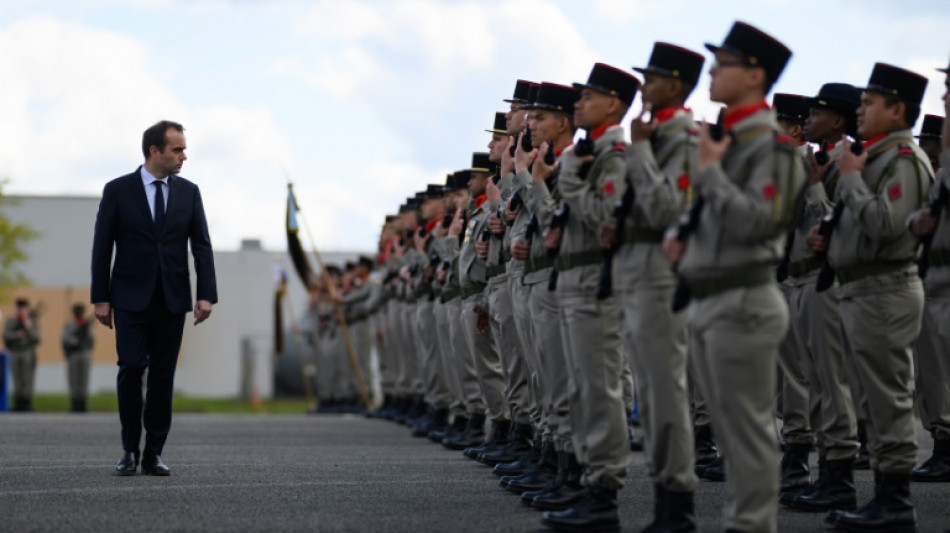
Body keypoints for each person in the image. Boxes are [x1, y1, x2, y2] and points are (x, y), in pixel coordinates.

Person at [664, 21, 804, 532]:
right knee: (730, 431)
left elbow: (759, 222)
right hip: (712, 296)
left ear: (754, 75)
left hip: (743, 297)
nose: (712, 74)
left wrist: (709, 174)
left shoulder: (771, 146)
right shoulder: (727, 140)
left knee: (747, 435)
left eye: (723, 65)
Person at [810, 63, 931, 531]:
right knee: (872, 399)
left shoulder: (902, 158)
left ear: (897, 109)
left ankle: (894, 502)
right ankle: (883, 497)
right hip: (862, 287)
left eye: (869, 103)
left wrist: (852, 180)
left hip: (885, 288)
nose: (859, 110)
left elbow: (886, 225)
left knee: (887, 400)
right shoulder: (878, 157)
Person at [537, 62, 639, 533]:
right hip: (573, 280)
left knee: (599, 390)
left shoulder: (613, 156)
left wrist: (572, 184)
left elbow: (606, 218)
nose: (577, 103)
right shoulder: (590, 154)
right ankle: (584, 480)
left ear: (613, 104)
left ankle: (604, 494)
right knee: (581, 389)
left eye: (588, 96)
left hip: (597, 283)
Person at [91, 120, 218, 476]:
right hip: (129, 297)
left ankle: (154, 453)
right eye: (177, 149)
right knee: (131, 367)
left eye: (183, 149)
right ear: (154, 151)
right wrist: (100, 296)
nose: (184, 156)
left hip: (172, 298)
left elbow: (202, 245)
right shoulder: (117, 190)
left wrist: (206, 294)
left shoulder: (189, 192)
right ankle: (129, 449)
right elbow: (102, 246)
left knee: (162, 376)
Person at [615, 40, 705, 530]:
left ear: (677, 84)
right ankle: (665, 497)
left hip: (661, 277)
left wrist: (642, 150)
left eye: (652, 78)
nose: (644, 86)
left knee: (666, 394)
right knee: (650, 394)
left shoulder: (681, 138)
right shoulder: (656, 134)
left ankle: (677, 503)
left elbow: (667, 209)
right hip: (638, 272)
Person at [907, 62, 950, 484]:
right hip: (931, 280)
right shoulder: (939, 175)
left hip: (944, 282)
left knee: (939, 372)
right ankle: (943, 446)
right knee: (931, 373)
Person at [3, 298, 40, 412]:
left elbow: (37, 338)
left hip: (27, 351)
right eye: (19, 308)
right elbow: (5, 335)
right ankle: (18, 403)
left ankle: (27, 403)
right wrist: (17, 335)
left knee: (27, 378)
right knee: (17, 378)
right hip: (14, 351)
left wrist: (28, 328)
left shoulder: (32, 321)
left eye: (23, 309)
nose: (21, 311)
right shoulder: (11, 321)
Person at [61, 303, 95, 413]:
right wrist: (76, 341)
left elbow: (92, 340)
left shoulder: (87, 325)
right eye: (77, 311)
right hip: (73, 354)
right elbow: (65, 339)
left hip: (84, 353)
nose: (79, 313)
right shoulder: (69, 325)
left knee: (84, 379)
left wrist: (85, 335)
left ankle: (83, 403)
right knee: (73, 379)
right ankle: (74, 403)